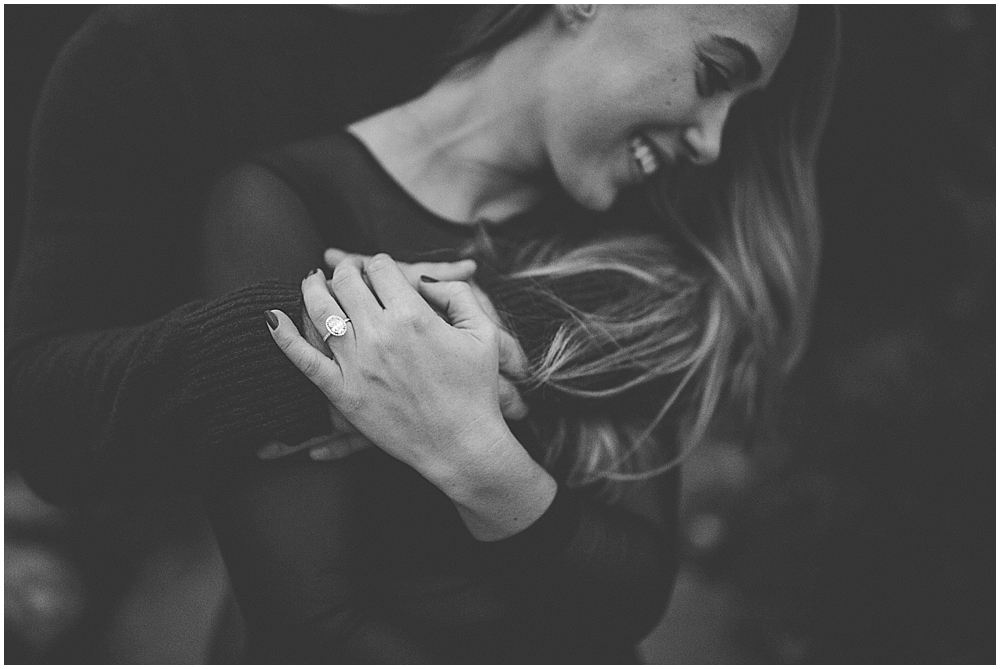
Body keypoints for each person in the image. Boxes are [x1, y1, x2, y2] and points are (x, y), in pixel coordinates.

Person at [7, 4, 838, 663]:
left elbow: (630, 592)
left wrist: (473, 450)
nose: (714, 141)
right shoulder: (261, 185)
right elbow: (309, 625)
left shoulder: (628, 243)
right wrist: (326, 355)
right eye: (712, 73)